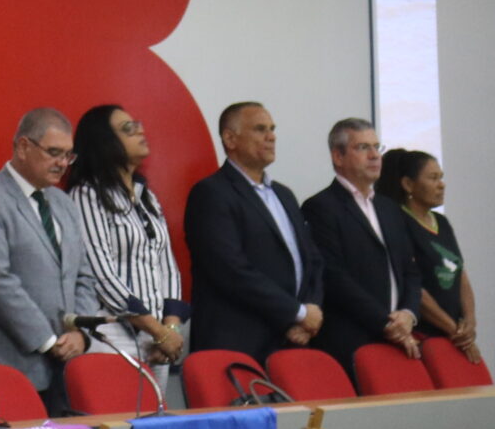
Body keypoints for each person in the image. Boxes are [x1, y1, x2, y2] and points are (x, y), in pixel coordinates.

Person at [0, 108, 99, 413]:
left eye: (69, 155)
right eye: (54, 153)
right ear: (23, 147)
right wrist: (47, 341)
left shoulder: (63, 202)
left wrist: (81, 333)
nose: (63, 163)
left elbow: (84, 275)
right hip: (11, 365)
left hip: (68, 367)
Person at [185, 102, 325, 362]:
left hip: (291, 340)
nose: (271, 137)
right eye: (260, 129)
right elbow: (230, 270)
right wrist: (297, 313)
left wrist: (309, 312)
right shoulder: (212, 193)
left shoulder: (284, 194)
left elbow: (312, 261)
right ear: (230, 139)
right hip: (237, 342)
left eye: (272, 129)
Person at [65, 104, 189, 391]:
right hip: (112, 336)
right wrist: (157, 330)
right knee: (117, 416)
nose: (140, 132)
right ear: (104, 142)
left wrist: (169, 329)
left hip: (156, 340)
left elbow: (168, 267)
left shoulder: (147, 196)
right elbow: (101, 275)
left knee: (155, 416)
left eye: (137, 124)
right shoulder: (87, 194)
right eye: (128, 129)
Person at [301, 118, 422, 371]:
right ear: (338, 156)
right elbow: (334, 277)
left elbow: (410, 270)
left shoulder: (389, 208)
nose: (374, 155)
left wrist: (408, 314)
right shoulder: (321, 207)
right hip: (351, 342)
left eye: (377, 147)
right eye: (363, 147)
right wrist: (386, 323)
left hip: (399, 340)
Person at [380, 148, 479, 362]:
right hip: (424, 335)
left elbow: (460, 273)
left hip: (455, 335)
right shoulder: (398, 222)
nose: (441, 185)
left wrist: (470, 322)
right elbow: (414, 286)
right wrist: (453, 329)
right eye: (433, 178)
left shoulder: (441, 222)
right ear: (408, 184)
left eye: (441, 177)